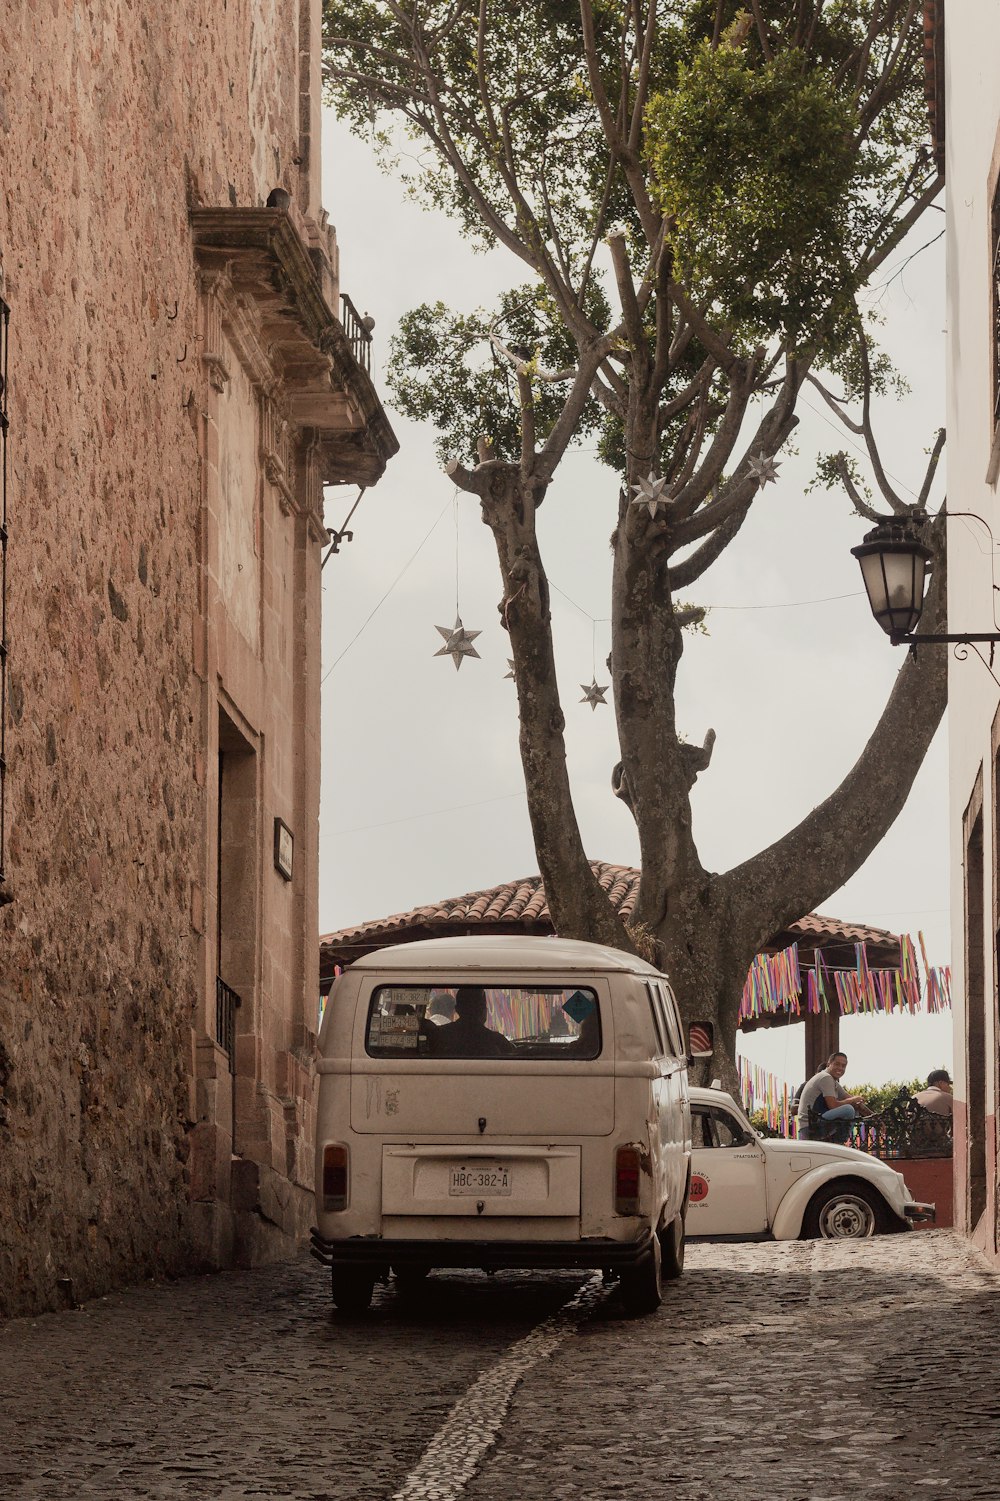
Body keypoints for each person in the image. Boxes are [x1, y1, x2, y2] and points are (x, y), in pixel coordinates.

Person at [796, 1051, 870, 1143]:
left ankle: (838, 1141)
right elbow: (833, 1105)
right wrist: (853, 1100)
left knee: (853, 1108)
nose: (840, 1068)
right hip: (810, 1126)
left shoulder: (832, 1081)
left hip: (816, 1121)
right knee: (848, 1109)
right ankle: (839, 1142)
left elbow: (855, 1102)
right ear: (829, 1064)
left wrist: (876, 1118)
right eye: (837, 1064)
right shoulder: (825, 1077)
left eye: (843, 1066)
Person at [425, 985, 515, 1058]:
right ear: (483, 1010)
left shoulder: (439, 1036)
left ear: (457, 1009)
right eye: (483, 1006)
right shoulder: (497, 1041)